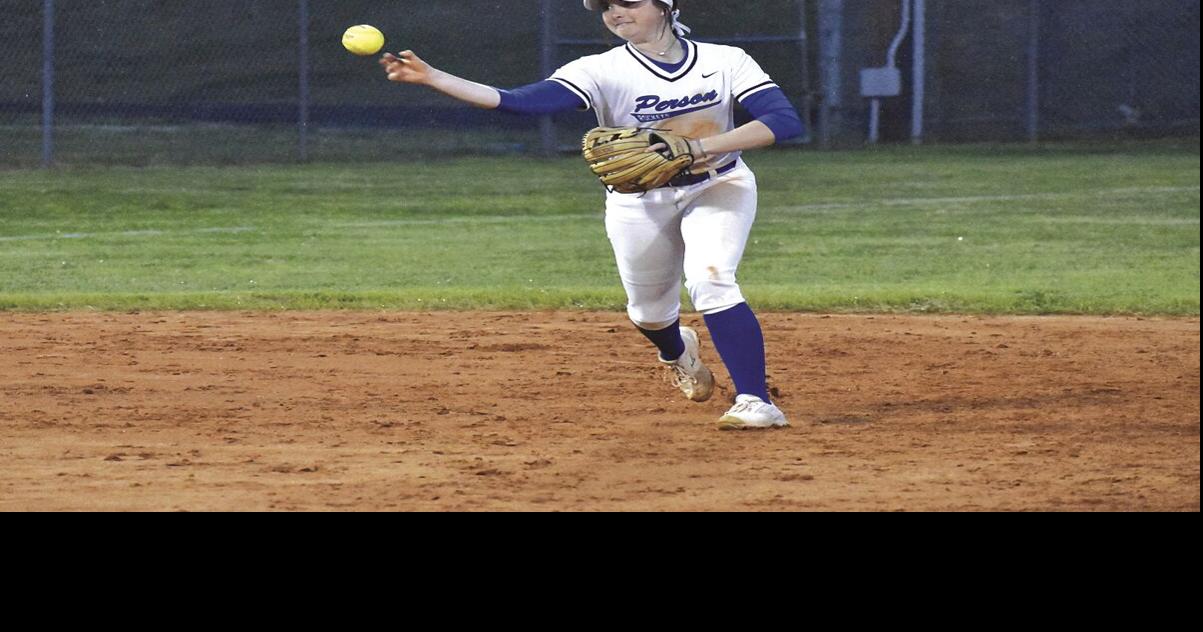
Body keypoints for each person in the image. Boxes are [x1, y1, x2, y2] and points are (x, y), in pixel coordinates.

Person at [380, 0, 804, 429]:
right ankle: (677, 352)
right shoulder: (599, 70)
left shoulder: (724, 60)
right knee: (649, 313)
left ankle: (755, 400)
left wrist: (697, 148)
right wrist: (433, 77)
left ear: (666, 5)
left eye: (629, 2)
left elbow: (783, 121)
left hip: (718, 183)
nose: (615, 12)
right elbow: (519, 102)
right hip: (638, 199)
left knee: (711, 278)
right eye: (605, 7)